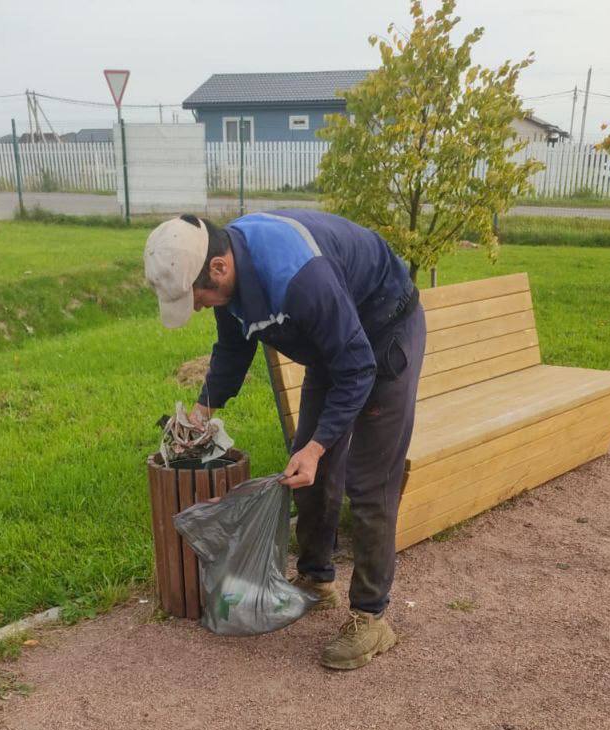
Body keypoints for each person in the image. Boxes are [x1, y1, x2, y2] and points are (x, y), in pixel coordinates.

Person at [143, 209, 426, 671]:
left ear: (218, 268)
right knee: (307, 472)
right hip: (334, 342)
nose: (197, 307)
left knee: (370, 482)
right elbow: (233, 348)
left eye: (197, 297)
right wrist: (201, 411)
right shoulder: (228, 270)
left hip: (383, 334)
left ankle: (371, 617)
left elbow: (358, 366)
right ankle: (316, 578)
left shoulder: (300, 277)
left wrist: (318, 447)